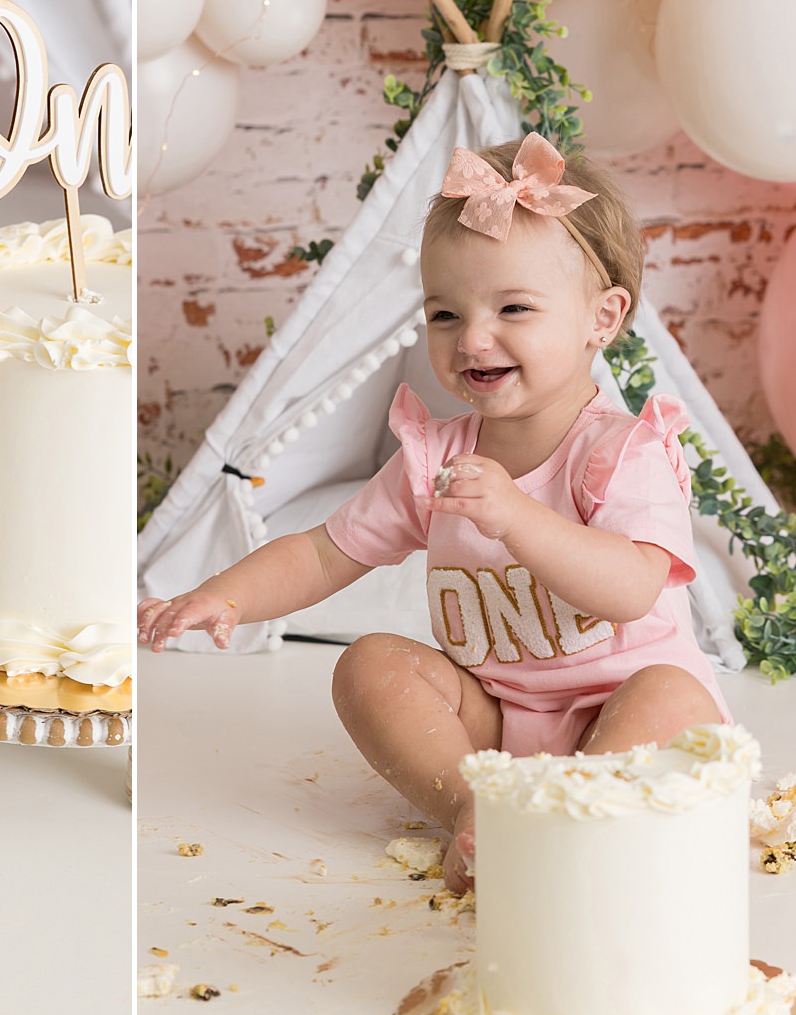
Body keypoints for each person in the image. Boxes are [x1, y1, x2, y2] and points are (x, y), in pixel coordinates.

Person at [137, 133, 729, 891]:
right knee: (368, 665)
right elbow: (324, 552)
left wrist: (516, 514)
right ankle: (479, 809)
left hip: (626, 712)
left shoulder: (619, 453)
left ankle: (576, 819)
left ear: (602, 317)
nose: (473, 337)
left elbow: (632, 589)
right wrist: (223, 592)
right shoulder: (435, 459)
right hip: (502, 724)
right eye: (445, 314)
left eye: (513, 307)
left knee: (670, 695)